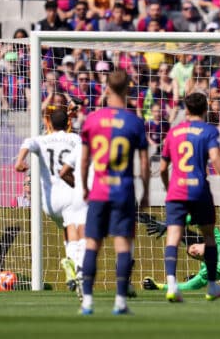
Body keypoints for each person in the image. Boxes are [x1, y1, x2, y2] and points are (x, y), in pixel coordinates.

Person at [159, 92, 220, 302]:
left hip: (176, 191)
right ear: (206, 109)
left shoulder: (173, 132)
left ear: (186, 110)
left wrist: (168, 187)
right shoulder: (208, 131)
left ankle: (172, 286)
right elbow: (215, 159)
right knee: (208, 237)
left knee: (173, 236)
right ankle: (212, 286)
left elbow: (162, 168)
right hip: (199, 190)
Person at [78, 70, 150, 316]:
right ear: (128, 88)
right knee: (122, 245)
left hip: (99, 191)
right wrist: (146, 192)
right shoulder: (134, 122)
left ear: (106, 88)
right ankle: (120, 301)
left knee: (92, 244)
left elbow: (84, 160)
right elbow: (144, 163)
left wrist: (84, 186)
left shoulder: (92, 120)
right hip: (123, 192)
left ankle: (87, 302)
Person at [13, 110, 87, 297]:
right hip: (70, 194)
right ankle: (77, 266)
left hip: (49, 202)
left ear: (49, 124)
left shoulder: (42, 140)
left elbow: (27, 142)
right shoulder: (75, 139)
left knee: (67, 228)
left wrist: (20, 161)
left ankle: (71, 262)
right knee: (80, 231)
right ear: (68, 124)